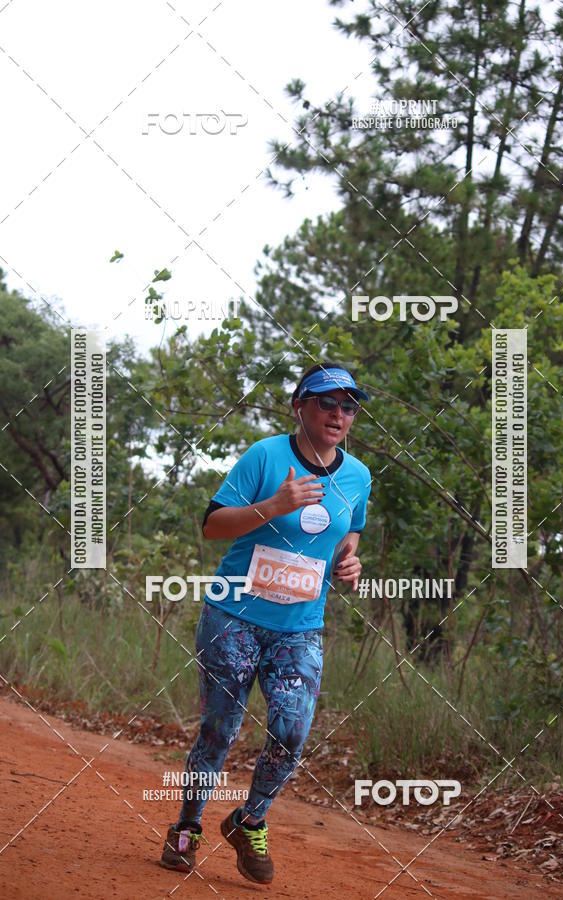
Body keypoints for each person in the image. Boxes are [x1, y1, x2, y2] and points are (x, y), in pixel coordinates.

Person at [159, 361, 371, 884]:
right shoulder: (265, 455)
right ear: (300, 406)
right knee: (220, 730)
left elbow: (351, 535)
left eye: (349, 407)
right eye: (328, 402)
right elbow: (212, 525)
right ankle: (186, 829)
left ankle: (248, 820)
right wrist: (273, 505)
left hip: (300, 626)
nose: (339, 414)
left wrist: (350, 563)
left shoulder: (358, 476)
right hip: (233, 615)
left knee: (293, 727)